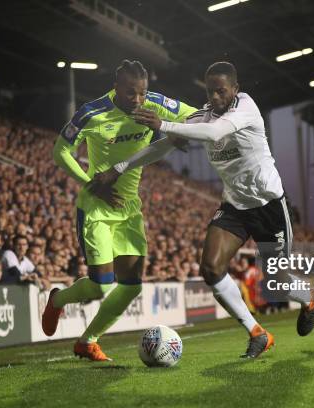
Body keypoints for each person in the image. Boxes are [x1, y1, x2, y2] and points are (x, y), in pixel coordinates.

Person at [92, 62, 314, 358]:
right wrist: (119, 168)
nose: (215, 97)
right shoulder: (202, 116)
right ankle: (257, 333)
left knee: (278, 284)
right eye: (210, 91)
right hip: (235, 207)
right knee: (211, 268)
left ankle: (308, 297)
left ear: (235, 89)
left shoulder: (246, 107)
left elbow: (214, 133)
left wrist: (163, 123)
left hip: (269, 207)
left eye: (221, 91)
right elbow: (164, 146)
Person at [42, 59, 197, 361]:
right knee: (101, 286)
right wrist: (90, 183)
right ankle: (57, 299)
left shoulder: (153, 104)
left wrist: (176, 130)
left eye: (142, 93)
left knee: (130, 286)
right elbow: (60, 151)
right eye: (130, 93)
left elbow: (195, 115)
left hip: (129, 208)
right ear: (115, 88)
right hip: (96, 207)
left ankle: (87, 341)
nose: (137, 100)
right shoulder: (92, 112)